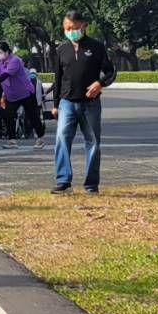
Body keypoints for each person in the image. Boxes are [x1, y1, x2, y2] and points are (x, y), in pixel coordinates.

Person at [50, 11, 115, 194]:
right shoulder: (61, 49)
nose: (70, 31)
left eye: (73, 27)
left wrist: (99, 83)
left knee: (93, 142)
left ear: (83, 26)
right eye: (66, 28)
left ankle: (91, 185)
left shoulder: (96, 47)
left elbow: (110, 72)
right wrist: (55, 104)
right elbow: (58, 78)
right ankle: (63, 181)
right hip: (67, 103)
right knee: (62, 139)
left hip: (90, 104)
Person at [0, 43, 37, 148]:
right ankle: (12, 141)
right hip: (11, 95)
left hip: (25, 93)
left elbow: (6, 74)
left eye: (0, 52)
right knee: (8, 115)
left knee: (32, 116)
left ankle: (40, 138)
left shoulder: (15, 60)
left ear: (7, 52)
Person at [13, 45, 48, 149]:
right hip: (33, 101)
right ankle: (30, 132)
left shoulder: (29, 76)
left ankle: (31, 132)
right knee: (30, 117)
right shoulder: (36, 79)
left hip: (31, 101)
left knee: (29, 117)